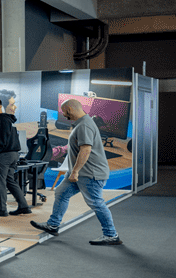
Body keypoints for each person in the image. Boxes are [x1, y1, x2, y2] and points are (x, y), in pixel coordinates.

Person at [31, 99, 122, 245]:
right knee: (61, 193)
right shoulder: (81, 123)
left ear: (70, 109)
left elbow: (85, 149)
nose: (64, 115)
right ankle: (53, 225)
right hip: (79, 172)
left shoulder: (84, 125)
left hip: (89, 173)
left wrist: (75, 172)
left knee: (96, 203)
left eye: (64, 112)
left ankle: (111, 235)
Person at [0, 97, 30, 216]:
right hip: (12, 155)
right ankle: (24, 206)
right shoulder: (4, 120)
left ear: (0, 106)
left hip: (2, 155)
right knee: (10, 181)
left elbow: (1, 138)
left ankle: (1, 209)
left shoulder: (1, 119)